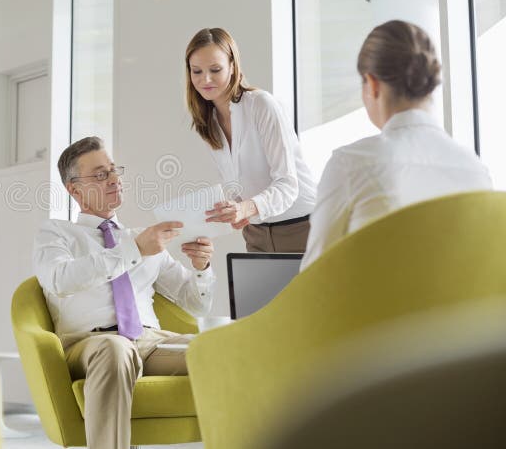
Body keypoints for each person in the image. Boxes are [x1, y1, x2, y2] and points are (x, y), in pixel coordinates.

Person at [34, 136, 215, 449]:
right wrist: (134, 250)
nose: (114, 179)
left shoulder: (144, 238)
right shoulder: (56, 233)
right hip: (90, 343)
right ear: (74, 189)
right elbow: (59, 279)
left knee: (224, 349)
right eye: (101, 174)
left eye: (115, 171)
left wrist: (201, 268)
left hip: (151, 342)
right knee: (115, 349)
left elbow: (195, 304)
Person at [300, 20, 492, 270]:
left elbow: (314, 281)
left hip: (378, 309)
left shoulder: (351, 164)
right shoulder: (476, 170)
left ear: (372, 85)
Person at [185, 27, 317, 252]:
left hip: (302, 228)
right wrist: (233, 208)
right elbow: (238, 186)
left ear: (233, 66)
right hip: (256, 233)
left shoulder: (261, 105)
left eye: (215, 69)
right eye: (196, 71)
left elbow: (287, 184)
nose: (205, 79)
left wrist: (246, 208)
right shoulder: (207, 121)